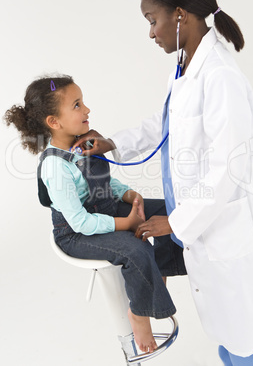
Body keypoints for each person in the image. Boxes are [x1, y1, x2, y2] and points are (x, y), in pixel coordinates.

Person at [72, 0, 253, 365]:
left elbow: (226, 170)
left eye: (152, 20)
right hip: (207, 232)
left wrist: (176, 222)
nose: (151, 32)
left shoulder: (219, 76)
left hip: (227, 232)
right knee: (228, 334)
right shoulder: (184, 64)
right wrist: (114, 144)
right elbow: (164, 127)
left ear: (180, 15)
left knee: (249, 338)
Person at [4, 75, 182, 354]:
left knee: (169, 214)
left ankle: (156, 277)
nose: (87, 109)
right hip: (75, 233)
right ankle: (138, 312)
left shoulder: (83, 144)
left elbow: (104, 182)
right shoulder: (55, 166)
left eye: (83, 102)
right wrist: (127, 222)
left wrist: (129, 195)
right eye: (77, 105)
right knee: (135, 249)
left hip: (105, 208)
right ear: (54, 122)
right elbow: (79, 221)